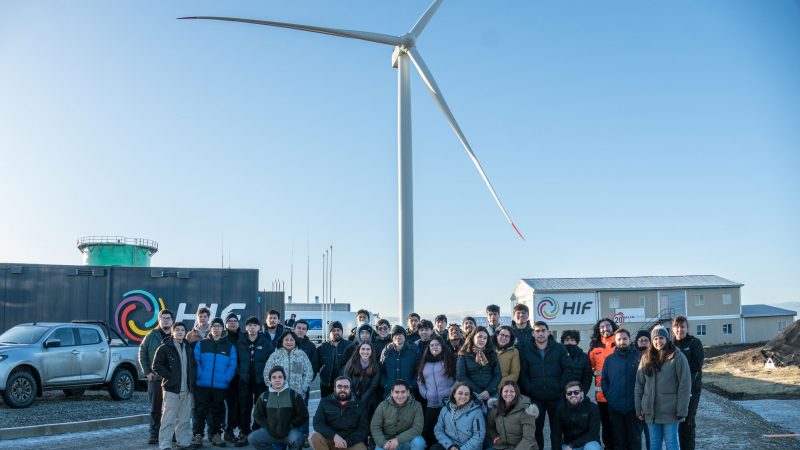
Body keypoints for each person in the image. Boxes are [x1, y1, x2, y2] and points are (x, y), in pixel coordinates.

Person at [518, 321, 572, 450]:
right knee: (536, 429)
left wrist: (560, 386)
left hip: (556, 396)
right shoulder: (526, 350)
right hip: (536, 398)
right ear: (533, 333)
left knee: (557, 429)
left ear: (548, 332)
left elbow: (568, 369)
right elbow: (523, 373)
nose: (540, 333)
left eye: (543, 330)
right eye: (537, 331)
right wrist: (530, 389)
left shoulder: (559, 348)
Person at [635, 327, 691, 450]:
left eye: (661, 338)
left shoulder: (677, 357)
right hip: (651, 410)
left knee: (671, 442)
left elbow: (685, 385)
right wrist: (639, 408)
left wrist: (682, 410)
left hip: (671, 411)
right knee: (654, 442)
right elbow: (639, 384)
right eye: (655, 338)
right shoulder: (646, 358)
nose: (658, 341)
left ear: (667, 339)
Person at [193, 317, 238, 448]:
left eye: (219, 326)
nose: (216, 329)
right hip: (202, 385)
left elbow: (232, 364)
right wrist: (200, 375)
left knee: (217, 411)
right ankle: (198, 435)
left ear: (222, 328)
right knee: (200, 411)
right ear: (210, 328)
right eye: (214, 326)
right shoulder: (201, 344)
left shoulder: (229, 346)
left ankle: (216, 434)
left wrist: (226, 378)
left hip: (220, 385)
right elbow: (196, 362)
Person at [152, 320, 197, 450]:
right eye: (177, 330)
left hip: (186, 390)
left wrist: (192, 381)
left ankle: (183, 443)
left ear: (185, 332)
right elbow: (156, 366)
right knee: (168, 420)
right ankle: (165, 445)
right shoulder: (164, 348)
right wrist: (170, 376)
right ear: (173, 332)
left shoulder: (188, 348)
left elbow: (193, 366)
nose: (180, 332)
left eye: (182, 330)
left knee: (184, 420)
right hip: (172, 390)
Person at [249, 366, 309, 450]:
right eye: (274, 377)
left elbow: (304, 415)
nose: (277, 380)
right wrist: (267, 426)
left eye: (280, 377)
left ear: (284, 379)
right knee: (252, 438)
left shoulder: (294, 395)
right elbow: (257, 415)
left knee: (298, 438)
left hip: (289, 432)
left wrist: (292, 425)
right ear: (270, 380)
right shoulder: (264, 396)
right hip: (270, 432)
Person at [601, 329, 642, 450]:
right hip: (615, 407)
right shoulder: (609, 360)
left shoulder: (639, 357)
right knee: (619, 441)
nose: (622, 341)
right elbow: (604, 380)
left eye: (625, 338)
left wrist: (639, 402)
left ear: (629, 340)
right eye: (619, 339)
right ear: (615, 341)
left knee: (635, 440)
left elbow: (645, 381)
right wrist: (609, 397)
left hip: (633, 408)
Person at [236, 316, 274, 447]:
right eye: (250, 325)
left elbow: (271, 362)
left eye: (255, 325)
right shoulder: (240, 342)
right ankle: (244, 432)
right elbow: (235, 360)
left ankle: (256, 431)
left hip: (260, 381)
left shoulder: (265, 342)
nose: (252, 327)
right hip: (244, 381)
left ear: (259, 327)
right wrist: (239, 373)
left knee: (260, 407)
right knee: (245, 407)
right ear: (246, 327)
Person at [138, 308, 174, 445]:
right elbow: (142, 353)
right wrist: (147, 372)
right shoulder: (151, 335)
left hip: (172, 379)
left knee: (171, 409)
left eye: (168, 318)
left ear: (172, 321)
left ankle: (173, 434)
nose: (166, 320)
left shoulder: (176, 335)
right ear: (159, 320)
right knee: (155, 408)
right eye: (163, 318)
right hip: (155, 379)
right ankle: (154, 434)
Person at [417, 335, 456, 446]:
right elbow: (420, 379)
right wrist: (425, 393)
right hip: (431, 404)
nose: (434, 347)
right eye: (432, 345)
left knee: (446, 432)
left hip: (448, 404)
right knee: (428, 432)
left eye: (437, 344)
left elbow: (458, 378)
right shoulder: (425, 362)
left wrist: (451, 392)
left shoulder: (450, 359)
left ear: (442, 346)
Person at [310, 376, 369, 450]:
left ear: (350, 389)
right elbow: (317, 424)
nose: (343, 389)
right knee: (316, 437)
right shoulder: (325, 402)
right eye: (339, 386)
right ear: (335, 388)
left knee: (361, 449)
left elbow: (363, 429)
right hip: (330, 439)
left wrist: (347, 442)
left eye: (346, 387)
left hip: (349, 442)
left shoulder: (360, 404)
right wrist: (334, 436)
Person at [672, 316, 704, 450]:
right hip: (674, 390)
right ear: (673, 329)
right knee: (676, 422)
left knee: (688, 422)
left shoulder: (694, 343)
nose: (680, 329)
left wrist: (684, 380)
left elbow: (697, 365)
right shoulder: (670, 345)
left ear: (687, 328)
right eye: (677, 327)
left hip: (691, 388)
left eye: (682, 326)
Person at [370, 380, 426, 450]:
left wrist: (398, 440)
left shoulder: (416, 406)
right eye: (396, 392)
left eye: (403, 392)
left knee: (419, 442)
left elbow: (417, 428)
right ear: (391, 393)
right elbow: (375, 426)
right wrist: (383, 443)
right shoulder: (382, 406)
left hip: (407, 440)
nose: (400, 396)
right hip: (387, 442)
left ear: (408, 392)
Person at [588, 318, 618, 449]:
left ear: (613, 327)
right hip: (602, 396)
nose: (605, 329)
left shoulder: (619, 343)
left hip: (619, 394)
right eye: (602, 327)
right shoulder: (594, 349)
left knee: (618, 424)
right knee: (606, 425)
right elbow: (591, 369)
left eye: (608, 326)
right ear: (598, 330)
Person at [432, 382, 485, 450]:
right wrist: (450, 446)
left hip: (469, 447)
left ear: (470, 396)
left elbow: (479, 436)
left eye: (466, 394)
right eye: (460, 393)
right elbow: (438, 430)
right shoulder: (445, 410)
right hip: (451, 445)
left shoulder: (477, 412)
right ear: (454, 394)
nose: (463, 396)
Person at [487, 381, 538, 450]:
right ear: (501, 393)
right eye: (506, 391)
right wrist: (495, 437)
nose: (509, 394)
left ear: (517, 393)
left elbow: (528, 438)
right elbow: (489, 426)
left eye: (512, 391)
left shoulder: (527, 411)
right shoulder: (496, 408)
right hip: (502, 446)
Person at [457, 326, 501, 406]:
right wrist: (479, 392)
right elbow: (461, 376)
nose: (482, 340)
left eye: (485, 338)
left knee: (493, 417)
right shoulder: (463, 354)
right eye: (479, 336)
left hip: (491, 393)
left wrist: (488, 391)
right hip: (472, 394)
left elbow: (498, 375)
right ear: (472, 337)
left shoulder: (492, 354)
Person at [265, 331, 314, 401]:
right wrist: (273, 388)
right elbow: (267, 373)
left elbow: (309, 373)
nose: (289, 342)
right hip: (278, 396)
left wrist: (302, 388)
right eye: (286, 340)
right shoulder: (275, 355)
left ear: (295, 341)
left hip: (297, 395)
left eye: (291, 340)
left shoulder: (302, 355)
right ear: (282, 341)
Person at [553, 381, 601, 450]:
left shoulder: (593, 408)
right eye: (569, 393)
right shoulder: (560, 409)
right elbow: (556, 434)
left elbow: (593, 433)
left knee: (592, 448)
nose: (572, 395)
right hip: (568, 445)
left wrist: (572, 445)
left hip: (588, 443)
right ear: (566, 396)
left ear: (582, 393)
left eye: (576, 392)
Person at [294, 319, 320, 445]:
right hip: (287, 384)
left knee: (303, 409)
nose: (301, 330)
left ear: (306, 331)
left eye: (304, 328)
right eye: (299, 327)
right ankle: (289, 433)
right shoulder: (288, 342)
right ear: (294, 328)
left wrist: (307, 380)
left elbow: (314, 365)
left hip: (304, 384)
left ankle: (304, 435)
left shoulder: (310, 346)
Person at [380, 325, 420, 396]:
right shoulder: (386, 351)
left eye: (400, 334)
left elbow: (418, 371)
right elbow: (381, 371)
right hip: (390, 392)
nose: (398, 337)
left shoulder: (413, 351)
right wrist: (386, 385)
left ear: (404, 336)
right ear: (392, 337)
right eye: (395, 335)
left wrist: (412, 385)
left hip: (408, 392)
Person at [343, 341, 381, 414]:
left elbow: (374, 385)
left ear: (371, 351)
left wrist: (363, 399)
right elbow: (346, 380)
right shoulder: (351, 363)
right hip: (352, 398)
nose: (365, 352)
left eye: (368, 349)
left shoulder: (375, 366)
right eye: (363, 349)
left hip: (369, 400)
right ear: (359, 350)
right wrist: (353, 397)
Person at [318, 321, 353, 398]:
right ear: (330, 332)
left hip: (344, 384)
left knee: (342, 407)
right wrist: (320, 370)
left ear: (342, 331)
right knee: (326, 406)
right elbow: (315, 363)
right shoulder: (323, 347)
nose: (336, 332)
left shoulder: (350, 345)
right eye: (334, 330)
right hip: (326, 384)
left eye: (338, 330)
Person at [224, 313, 242, 443]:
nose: (233, 323)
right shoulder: (223, 338)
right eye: (230, 321)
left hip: (242, 377)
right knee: (228, 406)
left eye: (235, 321)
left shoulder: (244, 337)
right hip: (226, 378)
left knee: (242, 405)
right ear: (226, 324)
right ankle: (227, 430)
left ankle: (242, 430)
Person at [634, 329, 651, 450]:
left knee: (651, 435)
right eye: (641, 340)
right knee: (636, 435)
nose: (643, 342)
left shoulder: (655, 356)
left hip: (651, 400)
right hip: (636, 399)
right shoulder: (632, 356)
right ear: (637, 342)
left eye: (646, 340)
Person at [561, 330, 592, 395]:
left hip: (578, 393)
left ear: (577, 342)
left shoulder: (584, 357)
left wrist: (582, 392)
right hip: (561, 394)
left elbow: (587, 377)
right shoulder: (558, 356)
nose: (569, 342)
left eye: (572, 340)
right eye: (567, 340)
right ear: (563, 342)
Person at [493, 325, 520, 389]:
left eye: (507, 336)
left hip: (503, 388)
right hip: (485, 388)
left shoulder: (514, 352)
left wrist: (497, 385)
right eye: (502, 335)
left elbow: (514, 374)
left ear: (510, 339)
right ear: (497, 335)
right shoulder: (488, 349)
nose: (504, 338)